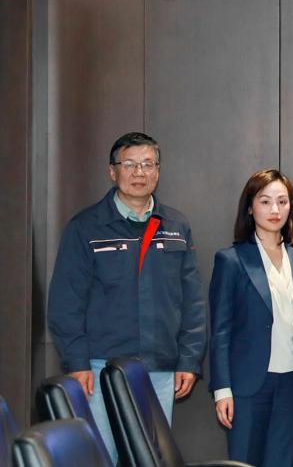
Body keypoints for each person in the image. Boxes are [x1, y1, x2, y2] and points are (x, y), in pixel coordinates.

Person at [47, 131, 205, 463]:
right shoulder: (86, 227)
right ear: (112, 171)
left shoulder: (176, 225)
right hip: (101, 368)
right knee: (101, 456)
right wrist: (77, 363)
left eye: (148, 164)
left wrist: (189, 360)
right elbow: (66, 303)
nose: (139, 173)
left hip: (161, 369)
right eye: (129, 164)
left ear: (158, 172)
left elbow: (192, 301)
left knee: (150, 458)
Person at [208, 169, 293, 467]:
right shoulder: (230, 259)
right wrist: (222, 389)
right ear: (250, 207)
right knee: (245, 462)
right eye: (265, 201)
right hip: (246, 385)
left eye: (283, 202)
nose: (275, 210)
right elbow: (220, 331)